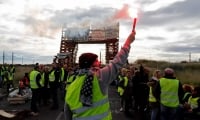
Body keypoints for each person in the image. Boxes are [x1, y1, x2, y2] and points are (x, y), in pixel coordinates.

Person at [64, 31, 136, 120]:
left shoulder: (71, 87)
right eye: (97, 61)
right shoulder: (99, 77)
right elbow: (117, 62)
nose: (99, 63)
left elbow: (67, 114)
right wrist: (128, 41)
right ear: (92, 64)